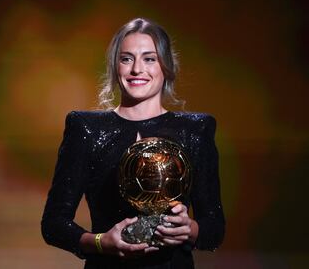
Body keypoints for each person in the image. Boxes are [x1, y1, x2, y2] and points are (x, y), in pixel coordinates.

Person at [41, 18, 225, 268]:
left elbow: (214, 230)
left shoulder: (194, 130)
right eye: (126, 58)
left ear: (166, 65)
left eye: (149, 58)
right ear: (115, 67)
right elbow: (53, 224)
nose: (137, 69)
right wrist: (101, 242)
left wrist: (189, 229)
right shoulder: (85, 128)